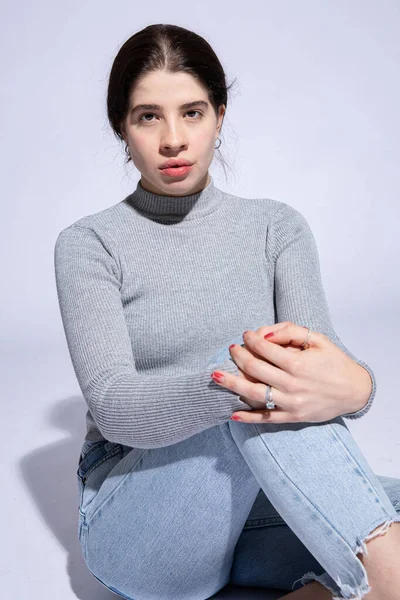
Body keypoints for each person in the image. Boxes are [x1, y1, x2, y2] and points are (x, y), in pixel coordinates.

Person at [54, 23, 400, 600]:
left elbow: (325, 368)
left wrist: (359, 387)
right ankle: (384, 582)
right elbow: (115, 410)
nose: (172, 139)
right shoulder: (90, 244)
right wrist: (247, 382)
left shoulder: (276, 226)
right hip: (142, 524)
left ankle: (335, 587)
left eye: (191, 112)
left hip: (250, 508)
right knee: (255, 358)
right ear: (122, 125)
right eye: (148, 116)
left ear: (219, 114)